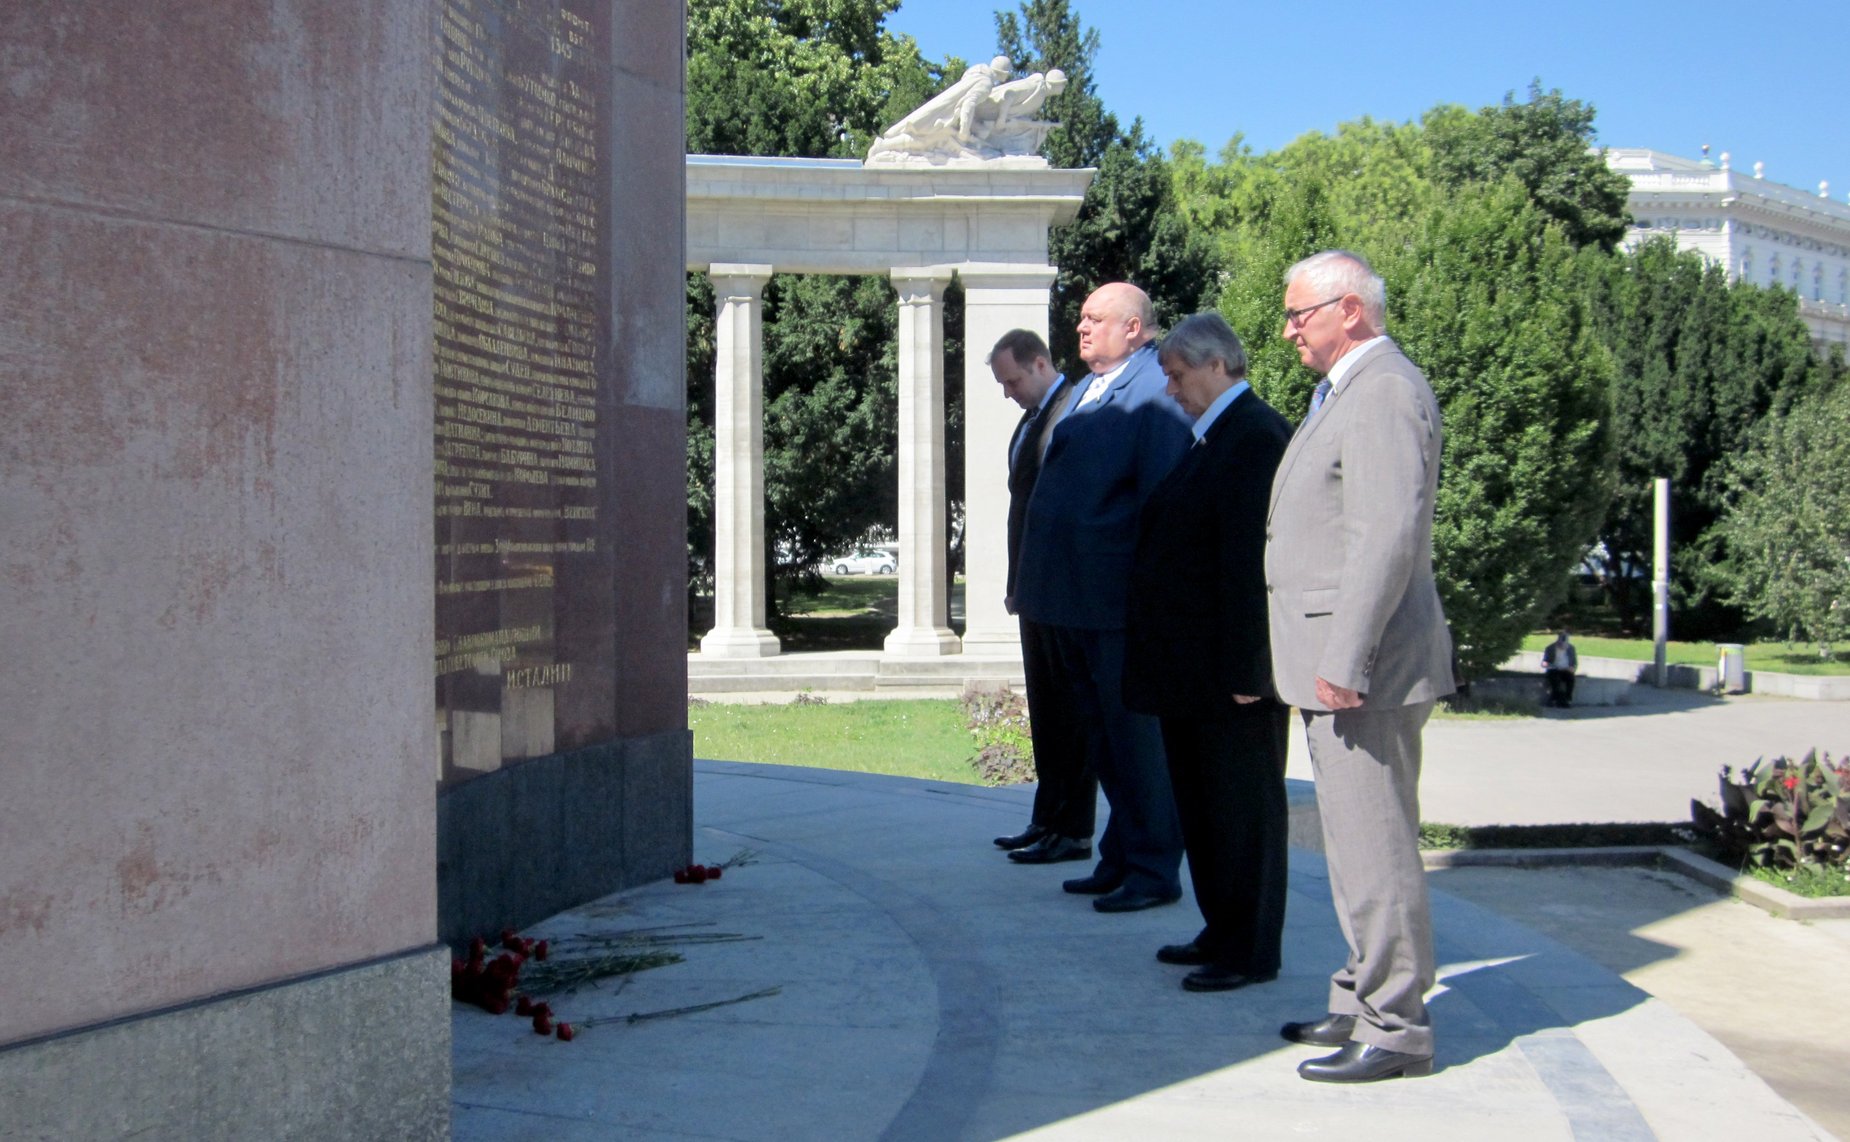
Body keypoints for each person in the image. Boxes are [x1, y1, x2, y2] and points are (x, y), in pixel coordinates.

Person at [1265, 250, 1454, 1083]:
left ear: (1350, 310)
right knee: (1353, 846)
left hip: (1362, 670)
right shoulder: (1348, 390)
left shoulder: (1382, 391)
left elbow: (1385, 536)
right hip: (1337, 664)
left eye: (1298, 314)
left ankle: (1396, 1027)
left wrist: (1346, 658)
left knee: (1376, 849)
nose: (1288, 330)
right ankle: (1359, 999)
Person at [1123, 313, 1292, 992]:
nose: (1170, 390)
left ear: (1217, 365)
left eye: (1177, 375)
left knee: (1241, 814)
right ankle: (1221, 928)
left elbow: (1251, 566)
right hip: (1194, 675)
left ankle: (1249, 949)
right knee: (1205, 809)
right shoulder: (1216, 435)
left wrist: (1253, 668)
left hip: (1231, 679)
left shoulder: (1254, 435)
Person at [1014, 283, 1192, 914]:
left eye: (1096, 318)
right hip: (1070, 600)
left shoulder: (1153, 391)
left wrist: (1146, 597)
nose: (1082, 327)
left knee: (1135, 746)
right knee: (1103, 742)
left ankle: (1153, 869)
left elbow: (1160, 499)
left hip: (1114, 604)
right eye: (1082, 318)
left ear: (1134, 328)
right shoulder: (1092, 386)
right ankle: (1119, 857)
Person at [987, 329, 1096, 864]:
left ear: (1038, 364)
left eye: (1012, 381)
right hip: (1034, 589)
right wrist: (1017, 583)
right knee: (1046, 711)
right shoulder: (1032, 419)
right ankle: (1047, 818)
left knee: (1069, 713)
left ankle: (1072, 830)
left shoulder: (1070, 413)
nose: (1008, 393)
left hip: (1061, 590)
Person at [1542, 630, 1578, 707]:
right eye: (1561, 644)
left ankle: (1568, 699)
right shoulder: (1550, 648)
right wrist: (1547, 664)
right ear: (1558, 641)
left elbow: (1574, 663)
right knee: (1555, 680)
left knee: (1571, 679)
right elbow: (1545, 662)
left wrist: (1572, 668)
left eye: (1565, 645)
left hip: (1566, 670)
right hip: (1554, 669)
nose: (1563, 647)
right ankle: (1555, 699)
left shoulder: (1571, 648)